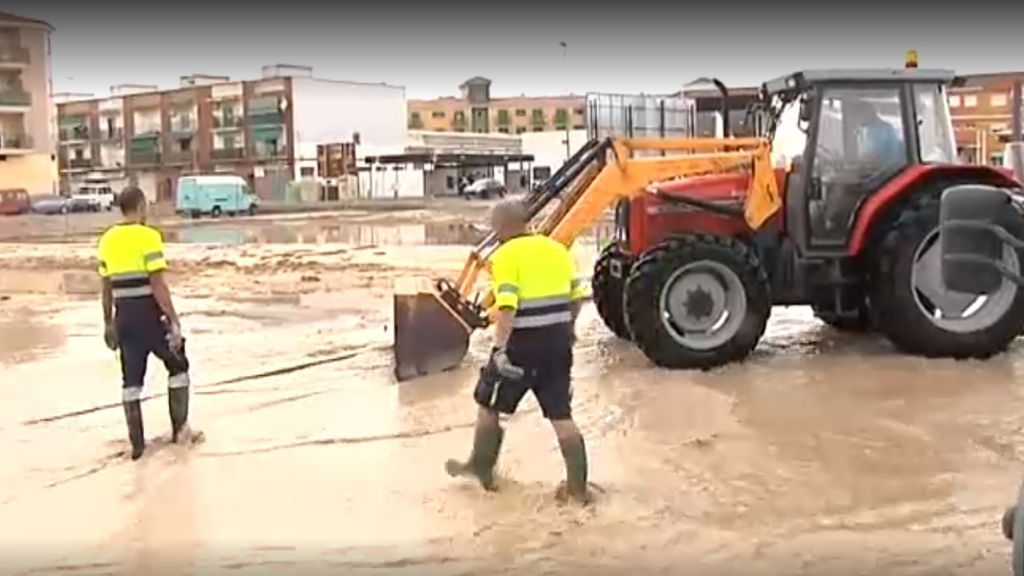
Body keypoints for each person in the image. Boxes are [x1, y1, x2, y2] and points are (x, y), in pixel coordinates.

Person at [445, 199, 591, 504]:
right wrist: (568, 330)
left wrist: (500, 350)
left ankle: (481, 469)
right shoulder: (556, 250)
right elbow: (576, 298)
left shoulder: (506, 256)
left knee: (488, 403)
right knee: (561, 415)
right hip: (558, 343)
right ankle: (577, 489)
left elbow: (508, 307)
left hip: (521, 346)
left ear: (500, 227)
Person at [98, 186, 198, 460]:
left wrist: (108, 323)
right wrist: (174, 320)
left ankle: (138, 448)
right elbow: (157, 284)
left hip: (125, 319)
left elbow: (106, 288)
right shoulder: (149, 237)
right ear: (142, 207)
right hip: (150, 316)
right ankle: (180, 432)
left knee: (130, 382)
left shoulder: (106, 240)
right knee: (178, 365)